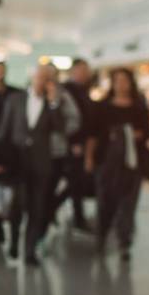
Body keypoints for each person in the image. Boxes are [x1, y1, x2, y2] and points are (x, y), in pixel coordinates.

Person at [0, 64, 81, 266]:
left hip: (42, 163)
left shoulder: (54, 103)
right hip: (18, 162)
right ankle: (14, 242)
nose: (42, 82)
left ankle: (30, 249)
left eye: (47, 79)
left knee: (37, 206)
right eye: (39, 78)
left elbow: (61, 129)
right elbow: (3, 131)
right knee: (17, 205)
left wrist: (53, 104)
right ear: (32, 78)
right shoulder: (15, 100)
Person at [86, 68, 149, 260]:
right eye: (118, 80)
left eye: (125, 80)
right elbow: (93, 134)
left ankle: (125, 241)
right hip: (107, 162)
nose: (121, 85)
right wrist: (89, 157)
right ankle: (102, 236)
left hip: (132, 163)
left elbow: (146, 132)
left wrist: (130, 135)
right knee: (105, 201)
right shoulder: (103, 107)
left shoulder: (139, 107)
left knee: (128, 204)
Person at [55, 58, 96, 231]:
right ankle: (75, 218)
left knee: (75, 183)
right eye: (81, 70)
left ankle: (53, 210)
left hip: (82, 144)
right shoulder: (67, 90)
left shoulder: (82, 91)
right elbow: (65, 120)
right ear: (73, 71)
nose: (84, 74)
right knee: (74, 183)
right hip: (73, 145)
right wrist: (72, 141)